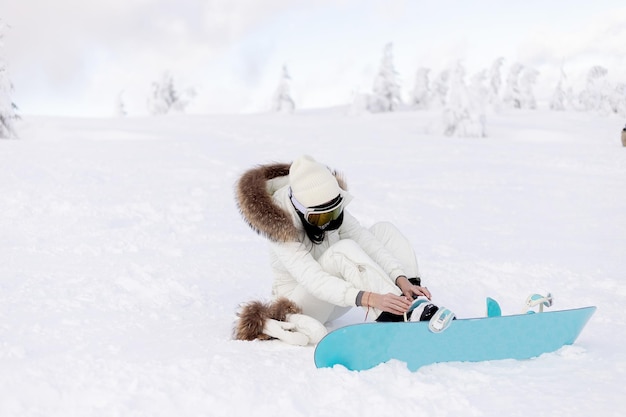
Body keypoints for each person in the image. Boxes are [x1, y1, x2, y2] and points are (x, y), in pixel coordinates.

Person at [235, 155, 442, 336]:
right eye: (321, 216)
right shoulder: (280, 225)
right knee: (342, 250)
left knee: (384, 231)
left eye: (333, 213)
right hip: (302, 304)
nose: (327, 221)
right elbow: (313, 279)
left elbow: (365, 241)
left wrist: (401, 277)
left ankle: (410, 297)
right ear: (301, 209)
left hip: (340, 296)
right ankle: (400, 314)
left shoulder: (331, 202)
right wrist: (369, 298)